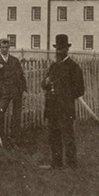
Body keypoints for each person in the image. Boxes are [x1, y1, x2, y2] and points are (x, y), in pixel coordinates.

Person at [41, 34, 85, 169]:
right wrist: (46, 82)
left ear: (67, 49)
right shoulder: (53, 66)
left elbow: (80, 90)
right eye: (57, 49)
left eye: (61, 49)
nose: (58, 52)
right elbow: (44, 84)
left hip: (65, 107)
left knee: (67, 136)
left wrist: (64, 94)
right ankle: (56, 163)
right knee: (53, 136)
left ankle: (72, 164)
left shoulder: (73, 67)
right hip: (52, 107)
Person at [0, 38, 27, 147]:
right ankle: (1, 138)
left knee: (16, 116)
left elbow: (21, 76)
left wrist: (24, 90)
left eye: (6, 47)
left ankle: (14, 140)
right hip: (4, 92)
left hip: (16, 91)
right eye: (3, 47)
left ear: (9, 48)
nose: (5, 49)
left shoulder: (15, 60)